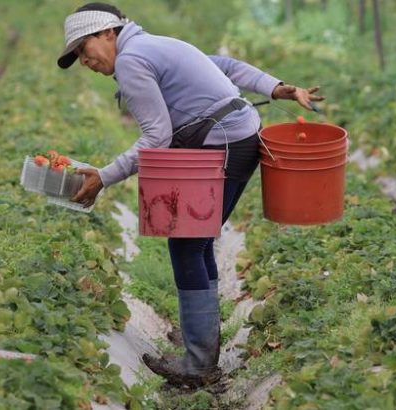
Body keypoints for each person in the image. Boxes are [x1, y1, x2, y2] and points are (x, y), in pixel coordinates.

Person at [59, 2, 323, 388]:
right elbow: (227, 67)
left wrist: (103, 176)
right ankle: (201, 351)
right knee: (193, 244)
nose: (84, 60)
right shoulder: (156, 44)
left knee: (187, 245)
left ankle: (199, 364)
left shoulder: (133, 60)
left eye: (84, 49)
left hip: (226, 143)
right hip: (239, 136)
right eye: (78, 55)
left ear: (108, 33)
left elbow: (158, 137)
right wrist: (276, 87)